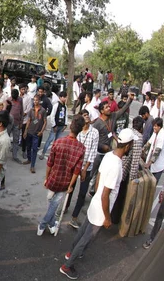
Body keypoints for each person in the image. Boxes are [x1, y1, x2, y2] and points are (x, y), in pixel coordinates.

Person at [59, 129, 137, 280]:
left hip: (96, 202)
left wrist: (97, 195)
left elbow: (98, 179)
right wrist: (107, 218)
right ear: (127, 146)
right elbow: (106, 194)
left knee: (83, 231)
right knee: (87, 238)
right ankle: (67, 265)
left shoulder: (109, 156)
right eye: (131, 145)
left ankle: (71, 252)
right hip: (102, 207)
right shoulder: (116, 166)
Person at [37, 115, 85, 236]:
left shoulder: (58, 142)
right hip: (65, 181)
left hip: (53, 178)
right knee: (55, 203)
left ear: (70, 126)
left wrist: (47, 178)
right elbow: (76, 170)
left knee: (51, 201)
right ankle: (48, 223)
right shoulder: (81, 148)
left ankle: (45, 224)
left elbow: (50, 163)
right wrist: (71, 185)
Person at [68, 110, 99, 229]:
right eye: (84, 115)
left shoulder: (94, 132)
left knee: (82, 193)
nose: (87, 117)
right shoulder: (78, 132)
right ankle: (65, 207)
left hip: (87, 166)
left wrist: (85, 168)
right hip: (76, 165)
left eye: (87, 115)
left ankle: (74, 217)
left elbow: (93, 152)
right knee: (70, 187)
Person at [39, 91, 68, 160]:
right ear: (60, 97)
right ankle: (43, 153)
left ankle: (54, 155)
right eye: (64, 97)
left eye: (66, 97)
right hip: (56, 126)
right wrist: (54, 125)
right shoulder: (56, 105)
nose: (65, 99)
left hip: (61, 126)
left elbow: (65, 115)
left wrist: (65, 124)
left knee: (57, 142)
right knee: (50, 140)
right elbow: (52, 116)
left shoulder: (65, 106)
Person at [23, 95, 47, 173]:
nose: (35, 102)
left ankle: (32, 166)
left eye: (37, 100)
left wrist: (41, 131)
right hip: (30, 131)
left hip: (37, 133)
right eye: (34, 100)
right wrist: (25, 131)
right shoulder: (31, 110)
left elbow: (45, 122)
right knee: (28, 147)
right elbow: (29, 121)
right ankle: (29, 159)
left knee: (34, 149)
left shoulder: (43, 110)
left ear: (39, 101)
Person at [144, 117, 164, 182]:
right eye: (153, 126)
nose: (154, 128)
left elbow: (157, 152)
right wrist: (142, 150)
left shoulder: (162, 136)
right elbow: (149, 143)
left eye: (155, 126)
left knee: (153, 183)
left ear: (159, 127)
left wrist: (149, 163)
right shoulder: (156, 132)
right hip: (152, 164)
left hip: (158, 166)